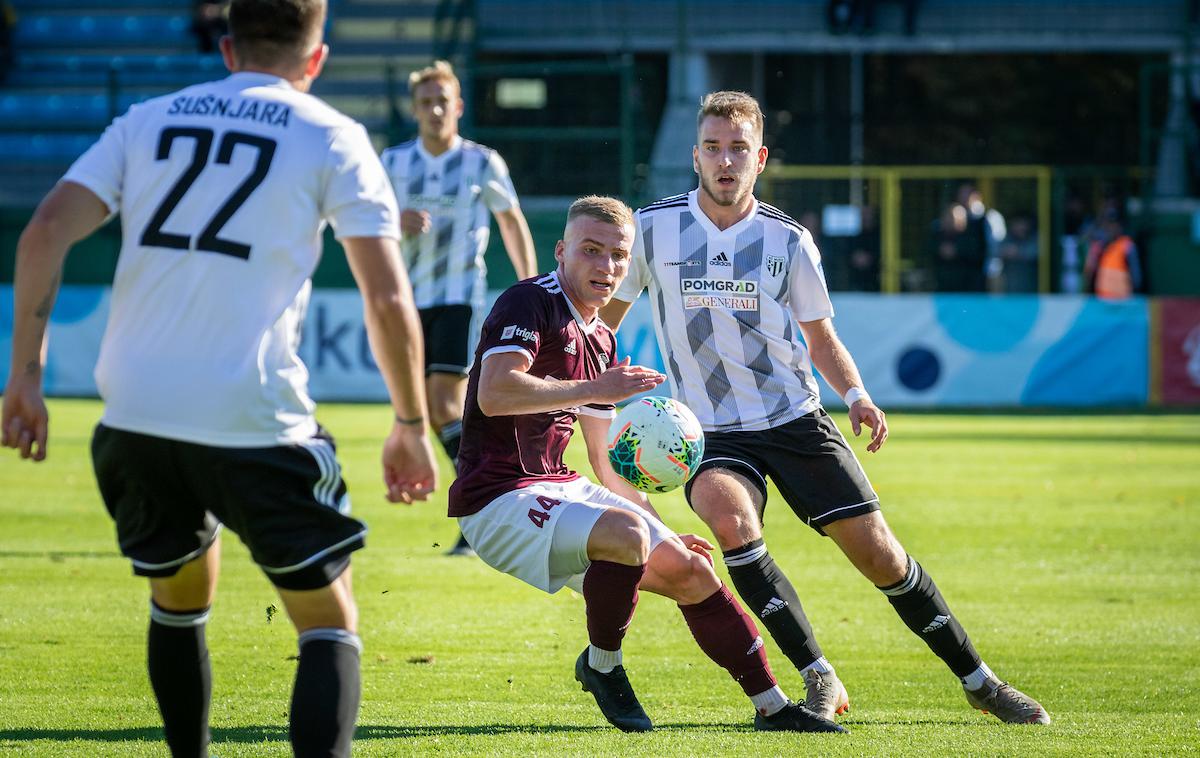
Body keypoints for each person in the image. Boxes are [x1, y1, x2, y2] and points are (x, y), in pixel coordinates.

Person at [1, 1, 438, 755]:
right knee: (329, 622)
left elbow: (43, 230)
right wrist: (409, 423)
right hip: (252, 418)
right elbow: (387, 295)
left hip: (134, 416)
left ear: (229, 49)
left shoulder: (145, 120)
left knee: (179, 600)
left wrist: (24, 378)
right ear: (317, 59)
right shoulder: (330, 132)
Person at [600, 90, 1050, 726]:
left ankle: (979, 680)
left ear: (759, 159)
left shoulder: (787, 240)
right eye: (711, 148)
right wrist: (581, 386)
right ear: (694, 157)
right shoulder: (652, 229)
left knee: (882, 558)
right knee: (730, 526)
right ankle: (819, 677)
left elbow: (820, 337)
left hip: (795, 419)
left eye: (737, 150)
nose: (724, 161)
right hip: (709, 432)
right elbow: (602, 322)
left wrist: (858, 395)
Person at [449, 195, 845, 735]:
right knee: (629, 534)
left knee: (691, 569)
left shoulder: (600, 337)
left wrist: (663, 528)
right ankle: (602, 667)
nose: (606, 267)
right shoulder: (528, 302)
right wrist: (601, 387)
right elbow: (494, 394)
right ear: (561, 252)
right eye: (591, 251)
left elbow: (602, 463)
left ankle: (774, 708)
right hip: (495, 499)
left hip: (557, 486)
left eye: (618, 255)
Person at [382, 60, 537, 557]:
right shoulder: (392, 163)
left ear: (458, 107)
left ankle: (482, 502)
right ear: (414, 109)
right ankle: (489, 492)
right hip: (406, 300)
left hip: (457, 297)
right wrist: (393, 219)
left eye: (442, 101)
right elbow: (366, 223)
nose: (434, 109)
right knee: (434, 409)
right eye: (425, 101)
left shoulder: (480, 162)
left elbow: (510, 221)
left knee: (442, 402)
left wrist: (532, 286)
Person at [1083, 207, 1142, 300]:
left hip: (1123, 301)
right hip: (1101, 301)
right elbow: (1090, 274)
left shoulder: (1127, 245)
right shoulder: (1100, 247)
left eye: (1114, 224)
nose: (1111, 228)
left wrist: (1134, 295)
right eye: (1108, 224)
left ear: (1120, 226)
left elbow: (1136, 276)